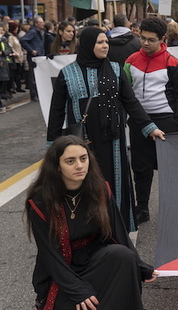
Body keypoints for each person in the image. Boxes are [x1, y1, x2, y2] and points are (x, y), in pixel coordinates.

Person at [25, 137, 170, 310]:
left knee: (121, 255)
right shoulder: (40, 201)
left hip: (96, 262)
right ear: (57, 165)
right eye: (70, 161)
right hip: (63, 273)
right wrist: (78, 290)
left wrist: (141, 267)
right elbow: (50, 256)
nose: (79, 166)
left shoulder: (101, 190)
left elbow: (119, 236)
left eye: (83, 159)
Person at [46, 27, 164, 231]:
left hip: (113, 142)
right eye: (100, 42)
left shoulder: (116, 70)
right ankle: (88, 229)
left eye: (106, 42)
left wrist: (150, 127)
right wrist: (52, 144)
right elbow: (56, 111)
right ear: (88, 45)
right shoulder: (67, 74)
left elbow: (131, 102)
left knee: (113, 184)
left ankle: (117, 228)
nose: (105, 46)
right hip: (82, 144)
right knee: (84, 183)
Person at [123, 17, 178, 224]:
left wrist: (176, 122)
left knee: (171, 169)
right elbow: (125, 94)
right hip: (140, 122)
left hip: (167, 120)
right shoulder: (130, 61)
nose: (145, 43)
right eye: (142, 39)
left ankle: (175, 208)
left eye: (151, 40)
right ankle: (142, 208)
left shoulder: (172, 62)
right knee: (140, 168)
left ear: (163, 39)